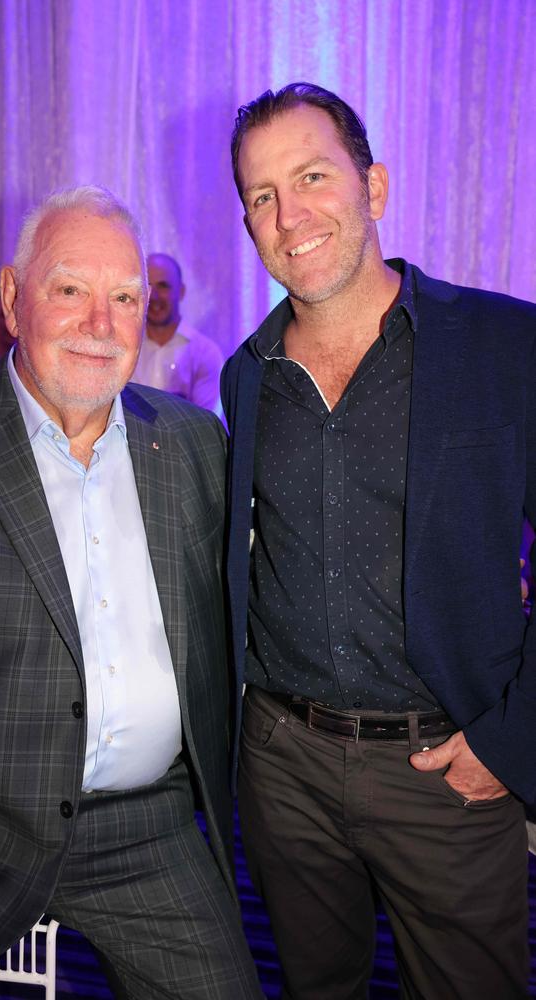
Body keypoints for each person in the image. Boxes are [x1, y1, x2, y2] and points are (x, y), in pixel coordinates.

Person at [0, 186, 263, 1000]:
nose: (101, 324)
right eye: (70, 290)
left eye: (124, 298)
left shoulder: (194, 443)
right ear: (15, 300)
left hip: (146, 828)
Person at [222, 82, 536, 1000]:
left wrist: (514, 740)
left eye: (313, 176)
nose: (290, 214)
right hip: (284, 768)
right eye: (262, 196)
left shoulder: (502, 345)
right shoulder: (249, 376)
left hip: (443, 770)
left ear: (376, 186)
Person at [132, 253, 224, 415]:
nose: (154, 295)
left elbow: (205, 425)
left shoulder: (205, 354)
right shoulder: (126, 348)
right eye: (147, 285)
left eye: (163, 286)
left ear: (180, 292)